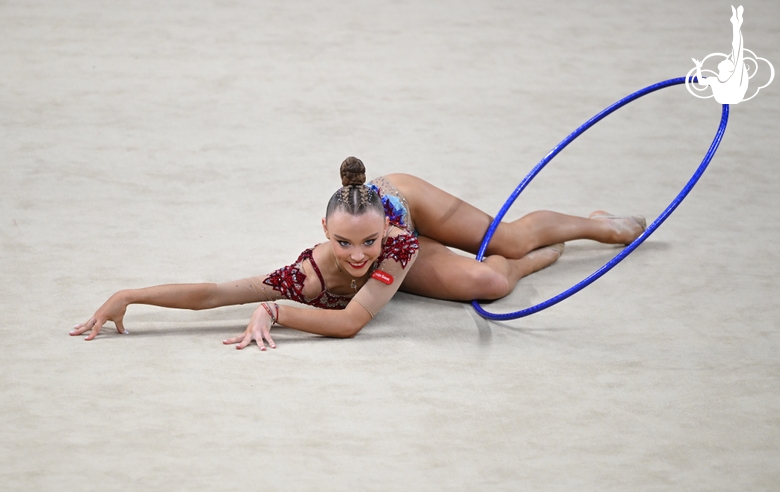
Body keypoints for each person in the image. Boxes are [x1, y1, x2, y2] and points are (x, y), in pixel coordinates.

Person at [70, 157, 645, 351]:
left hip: (405, 203)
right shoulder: (311, 272)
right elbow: (219, 293)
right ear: (323, 230)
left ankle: (596, 226)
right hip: (387, 226)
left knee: (509, 244)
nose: (356, 257)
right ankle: (528, 263)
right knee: (492, 283)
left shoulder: (391, 244)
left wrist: (273, 314)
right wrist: (129, 296)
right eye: (343, 243)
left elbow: (347, 325)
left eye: (366, 244)